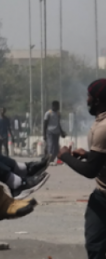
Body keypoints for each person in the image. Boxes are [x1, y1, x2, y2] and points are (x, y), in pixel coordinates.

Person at [58, 79, 106, 258]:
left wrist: (65, 156)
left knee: (95, 247)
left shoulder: (103, 127)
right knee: (95, 246)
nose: (86, 100)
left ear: (97, 101)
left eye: (89, 96)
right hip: (102, 196)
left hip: (103, 197)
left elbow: (90, 171)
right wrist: (88, 154)